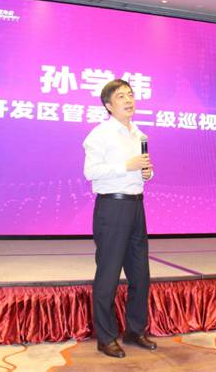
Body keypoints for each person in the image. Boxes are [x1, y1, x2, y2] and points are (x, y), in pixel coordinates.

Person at [83, 79, 157, 358]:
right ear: (108, 105)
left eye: (130, 94)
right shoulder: (99, 134)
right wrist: (127, 165)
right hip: (112, 207)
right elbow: (91, 172)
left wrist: (147, 173)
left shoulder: (139, 134)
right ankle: (106, 337)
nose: (129, 100)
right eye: (121, 96)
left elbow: (142, 169)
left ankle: (135, 330)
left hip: (137, 206)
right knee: (109, 274)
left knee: (141, 274)